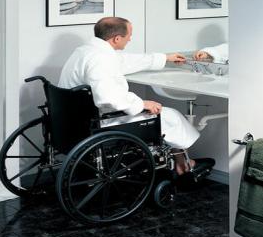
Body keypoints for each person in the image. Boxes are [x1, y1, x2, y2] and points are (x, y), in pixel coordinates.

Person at [58, 16, 200, 174]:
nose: (130, 39)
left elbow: (125, 61)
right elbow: (108, 98)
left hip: (72, 119)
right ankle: (184, 165)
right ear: (117, 38)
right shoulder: (101, 59)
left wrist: (164, 58)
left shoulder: (87, 51)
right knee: (171, 116)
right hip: (97, 122)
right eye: (129, 35)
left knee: (167, 116)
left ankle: (181, 162)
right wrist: (142, 104)